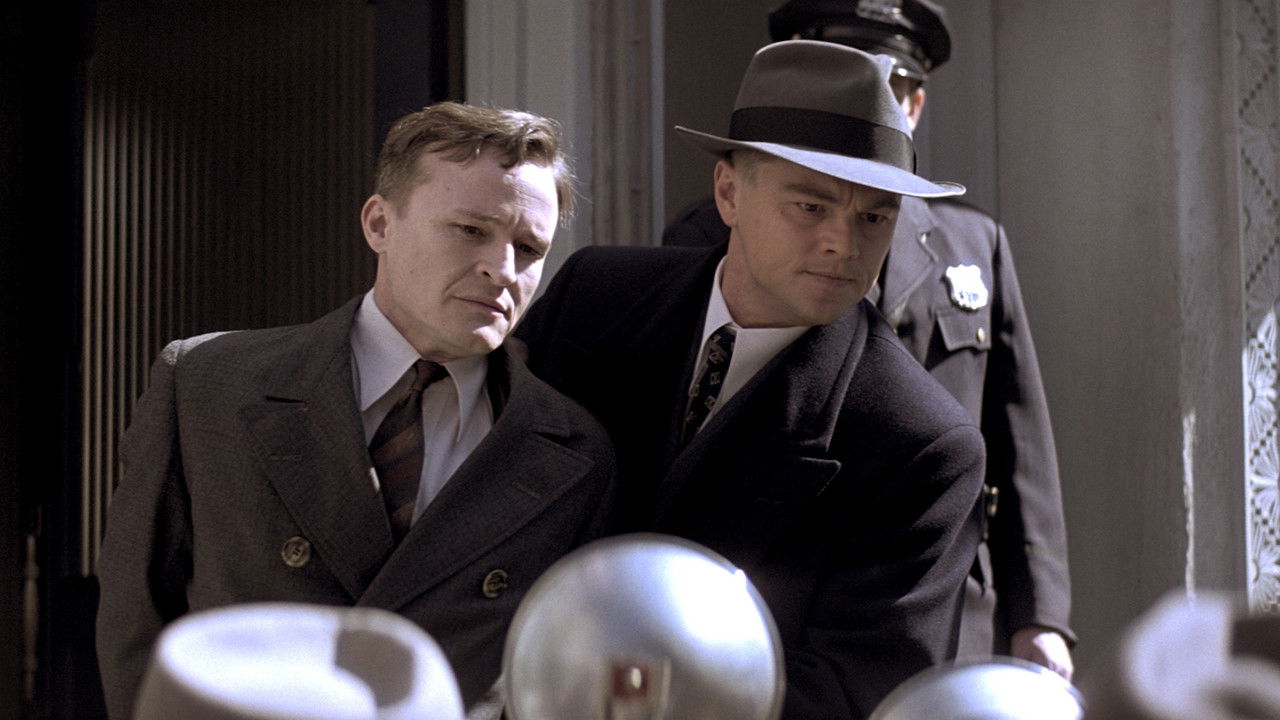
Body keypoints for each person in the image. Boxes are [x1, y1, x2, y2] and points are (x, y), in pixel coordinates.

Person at [95, 101, 617, 720]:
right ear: (379, 224)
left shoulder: (572, 453)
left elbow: (563, 682)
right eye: (470, 230)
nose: (502, 270)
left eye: (528, 247)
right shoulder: (210, 384)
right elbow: (135, 625)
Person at [517, 40, 986, 718]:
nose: (844, 243)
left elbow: (857, 693)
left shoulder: (920, 444)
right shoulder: (596, 296)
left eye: (875, 216)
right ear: (729, 192)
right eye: (811, 206)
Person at [663, 0, 1076, 680]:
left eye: (898, 88)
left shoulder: (974, 242)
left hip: (948, 596)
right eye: (861, 79)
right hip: (779, 591)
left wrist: (1042, 614)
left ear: (916, 104)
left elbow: (1018, 442)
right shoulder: (708, 235)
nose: (843, 239)